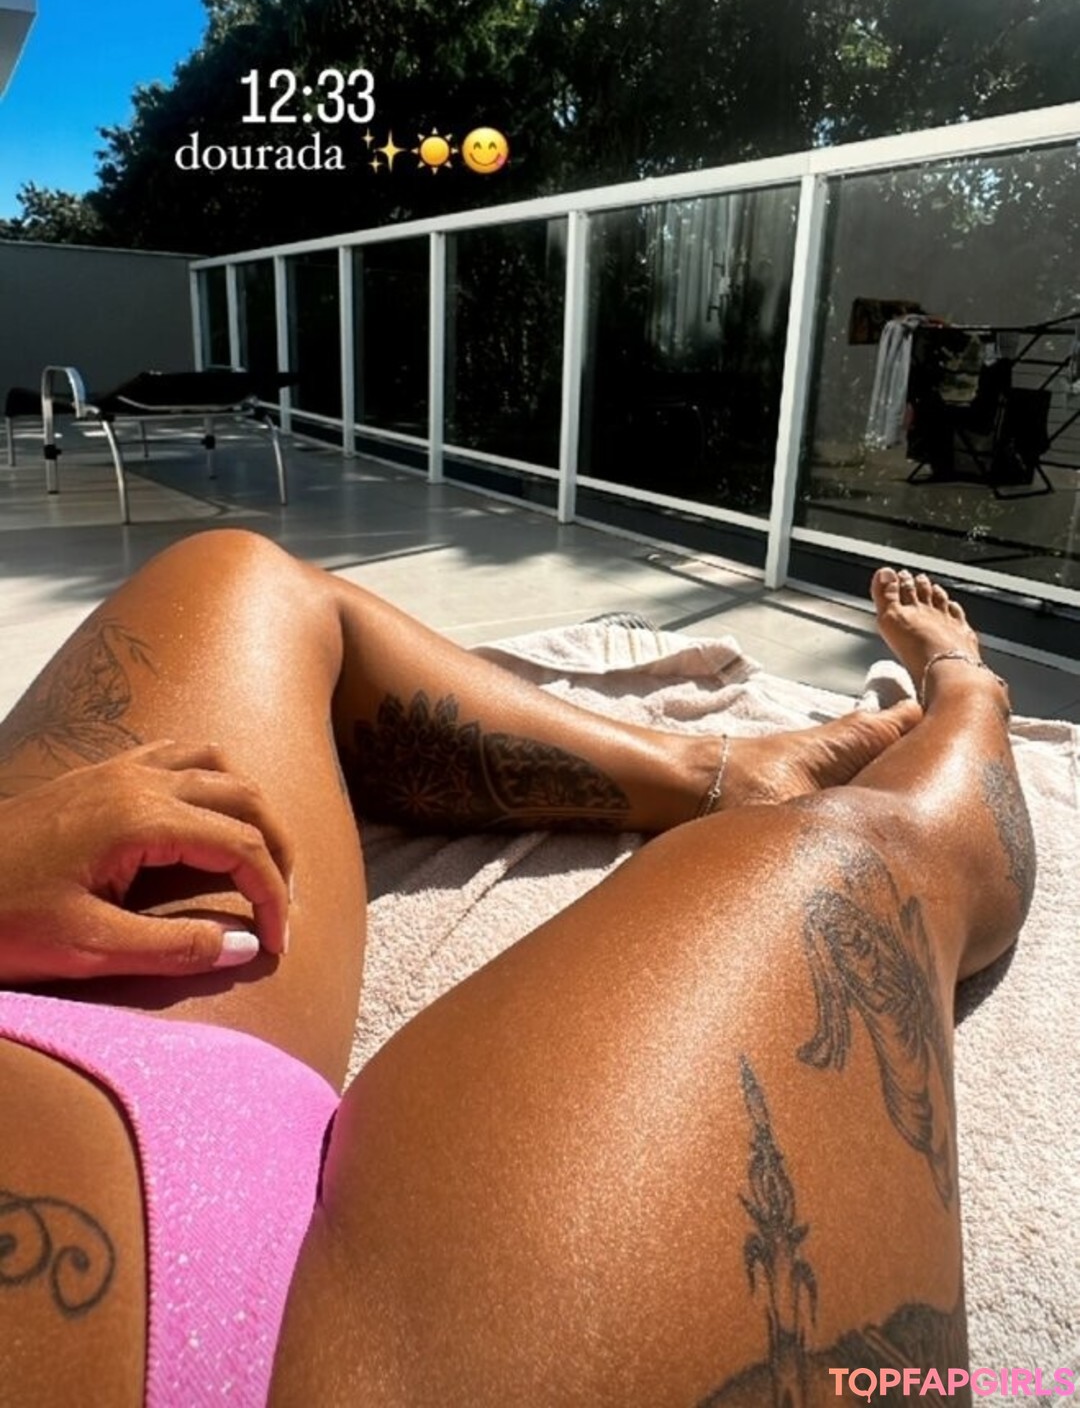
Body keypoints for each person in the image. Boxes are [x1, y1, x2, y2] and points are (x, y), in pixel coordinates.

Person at [0, 531, 1031, 1407]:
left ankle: (711, 772)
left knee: (238, 578)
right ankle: (969, 692)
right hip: (197, 1342)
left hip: (70, 1044)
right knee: (845, 873)